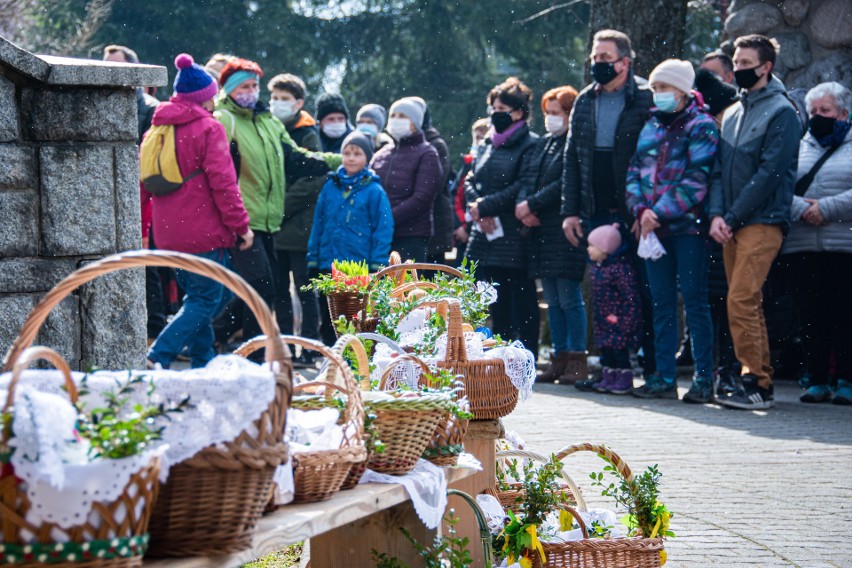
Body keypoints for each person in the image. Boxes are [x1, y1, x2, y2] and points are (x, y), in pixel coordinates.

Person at [213, 57, 340, 347]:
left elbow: (295, 157)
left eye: (254, 85)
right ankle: (229, 343)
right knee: (260, 288)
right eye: (244, 86)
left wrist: (336, 160)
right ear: (229, 89)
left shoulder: (267, 121)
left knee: (261, 290)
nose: (251, 91)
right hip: (242, 221)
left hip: (267, 220)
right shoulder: (224, 120)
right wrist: (234, 218)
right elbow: (221, 175)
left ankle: (233, 345)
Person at [708, 34, 801, 410]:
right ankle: (752, 376)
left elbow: (769, 175)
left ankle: (759, 383)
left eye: (747, 64)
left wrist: (729, 216)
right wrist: (717, 215)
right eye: (737, 63)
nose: (739, 69)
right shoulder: (731, 112)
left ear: (766, 67)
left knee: (743, 298)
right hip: (731, 222)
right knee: (744, 301)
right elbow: (717, 171)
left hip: (762, 220)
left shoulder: (782, 112)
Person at [143, 54, 253, 369]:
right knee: (209, 299)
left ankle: (202, 362)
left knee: (197, 298)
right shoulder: (208, 128)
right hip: (203, 232)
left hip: (168, 233)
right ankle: (157, 356)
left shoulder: (157, 129)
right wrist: (241, 227)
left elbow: (144, 183)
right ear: (205, 97)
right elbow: (224, 184)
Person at [560, 29, 656, 378]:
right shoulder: (585, 100)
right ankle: (613, 368)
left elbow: (654, 158)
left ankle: (652, 365)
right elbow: (572, 159)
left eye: (605, 58)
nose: (597, 64)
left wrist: (643, 206)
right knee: (606, 295)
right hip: (595, 213)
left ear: (624, 62)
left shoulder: (646, 97)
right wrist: (570, 211)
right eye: (594, 58)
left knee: (644, 291)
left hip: (638, 212)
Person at [625, 59, 719, 402]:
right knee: (661, 302)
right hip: (653, 230)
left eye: (663, 88)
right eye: (654, 88)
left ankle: (704, 379)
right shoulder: (651, 125)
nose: (657, 94)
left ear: (681, 90)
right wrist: (640, 209)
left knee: (694, 301)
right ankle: (662, 377)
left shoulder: (702, 125)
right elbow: (634, 171)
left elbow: (696, 180)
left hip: (687, 229)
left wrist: (657, 213)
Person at [779, 82, 852, 405]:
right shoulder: (797, 146)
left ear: (843, 114)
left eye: (826, 111)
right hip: (803, 244)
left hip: (843, 246)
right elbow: (780, 186)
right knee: (811, 316)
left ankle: (847, 379)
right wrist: (804, 210)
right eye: (814, 112)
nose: (819, 117)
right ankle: (817, 379)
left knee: (844, 315)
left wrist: (826, 208)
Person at [516, 86, 587, 383]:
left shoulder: (575, 143)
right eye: (548, 113)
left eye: (556, 113)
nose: (550, 119)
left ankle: (577, 358)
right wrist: (527, 206)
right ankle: (558, 357)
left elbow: (562, 183)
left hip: (564, 227)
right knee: (554, 300)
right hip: (543, 230)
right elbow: (530, 178)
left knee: (570, 298)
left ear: (570, 114)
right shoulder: (546, 145)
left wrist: (531, 203)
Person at [465, 77, 540, 355]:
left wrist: (485, 207)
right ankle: (495, 351)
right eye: (493, 107)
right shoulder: (487, 142)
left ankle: (523, 353)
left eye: (502, 107)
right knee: (490, 296)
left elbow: (522, 185)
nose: (496, 113)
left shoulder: (531, 144)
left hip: (512, 234)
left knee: (518, 296)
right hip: (483, 235)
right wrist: (476, 207)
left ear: (519, 112)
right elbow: (471, 179)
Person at [267, 73, 324, 360]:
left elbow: (314, 179)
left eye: (284, 99)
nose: (277, 104)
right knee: (279, 292)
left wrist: (279, 205)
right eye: (274, 97)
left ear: (299, 102)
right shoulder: (268, 128)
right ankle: (286, 346)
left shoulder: (307, 133)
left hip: (299, 226)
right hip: (276, 227)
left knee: (305, 290)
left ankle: (310, 347)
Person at [307, 131, 394, 277]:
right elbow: (318, 223)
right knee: (328, 300)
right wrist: (313, 258)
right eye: (347, 153)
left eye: (357, 154)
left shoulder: (374, 190)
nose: (351, 158)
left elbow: (383, 228)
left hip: (359, 265)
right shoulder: (330, 186)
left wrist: (377, 263)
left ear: (367, 158)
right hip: (329, 263)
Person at [370, 97, 442, 262]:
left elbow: (422, 198)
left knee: (407, 285)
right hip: (380, 236)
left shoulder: (427, 153)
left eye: (403, 116)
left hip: (411, 236)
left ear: (415, 122)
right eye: (393, 115)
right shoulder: (381, 154)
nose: (396, 120)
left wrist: (387, 218)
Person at [575, 224, 642, 393]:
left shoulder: (620, 269)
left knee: (620, 352)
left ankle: (624, 379)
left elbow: (630, 297)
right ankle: (609, 377)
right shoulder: (598, 269)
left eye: (592, 246)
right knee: (607, 350)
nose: (588, 249)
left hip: (618, 319)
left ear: (605, 248)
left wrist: (626, 321)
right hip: (603, 318)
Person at [452, 118, 489, 253]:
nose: (479, 142)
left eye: (483, 137)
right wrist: (461, 226)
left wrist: (469, 227)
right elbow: (456, 197)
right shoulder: (468, 163)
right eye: (477, 138)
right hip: (464, 232)